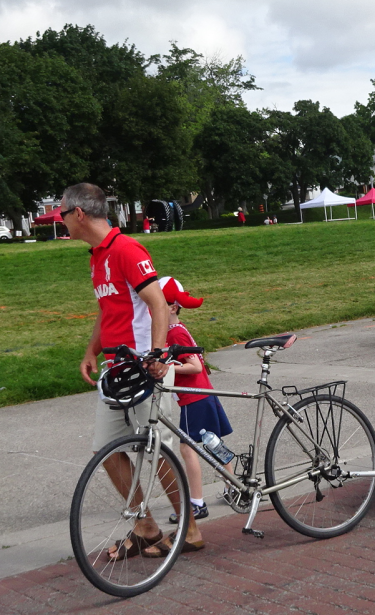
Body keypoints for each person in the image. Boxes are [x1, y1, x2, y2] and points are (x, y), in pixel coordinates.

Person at [63, 182, 200, 560]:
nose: (59, 220)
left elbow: (157, 304)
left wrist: (156, 354)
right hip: (116, 369)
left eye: (62, 213)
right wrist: (92, 350)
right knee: (106, 451)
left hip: (145, 367)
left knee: (161, 452)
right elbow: (108, 309)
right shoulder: (96, 256)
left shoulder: (126, 249)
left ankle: (189, 527)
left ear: (79, 213)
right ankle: (147, 527)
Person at [154, 277, 233, 553]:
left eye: (159, 305)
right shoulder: (175, 330)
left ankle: (197, 504)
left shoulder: (174, 332)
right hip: (202, 395)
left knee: (187, 449)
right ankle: (232, 484)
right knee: (213, 443)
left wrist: (168, 369)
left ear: (173, 307)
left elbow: (195, 366)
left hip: (194, 397)